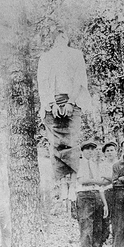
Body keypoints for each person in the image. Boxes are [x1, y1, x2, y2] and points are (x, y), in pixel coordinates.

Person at [37, 25, 92, 209]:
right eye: (57, 36)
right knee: (56, 144)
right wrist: (51, 104)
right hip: (51, 103)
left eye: (64, 35)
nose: (61, 39)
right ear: (52, 39)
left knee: (72, 142)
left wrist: (71, 102)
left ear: (68, 38)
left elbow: (80, 79)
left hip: (71, 102)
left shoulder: (76, 55)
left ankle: (73, 184)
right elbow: (42, 82)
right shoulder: (45, 57)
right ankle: (61, 186)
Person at [76, 140, 108, 247]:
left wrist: (105, 203)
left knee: (98, 229)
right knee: (86, 229)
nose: (90, 151)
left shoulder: (95, 165)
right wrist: (96, 181)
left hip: (96, 196)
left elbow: (100, 187)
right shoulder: (78, 163)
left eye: (92, 149)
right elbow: (83, 181)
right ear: (82, 151)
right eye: (87, 149)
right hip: (84, 196)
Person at [99, 139, 119, 240]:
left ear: (116, 152)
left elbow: (119, 179)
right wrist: (113, 179)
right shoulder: (102, 165)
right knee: (106, 215)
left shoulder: (120, 163)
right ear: (104, 153)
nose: (110, 152)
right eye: (107, 151)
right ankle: (105, 238)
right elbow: (101, 183)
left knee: (118, 217)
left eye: (112, 150)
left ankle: (117, 238)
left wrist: (108, 178)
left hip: (119, 192)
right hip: (107, 192)